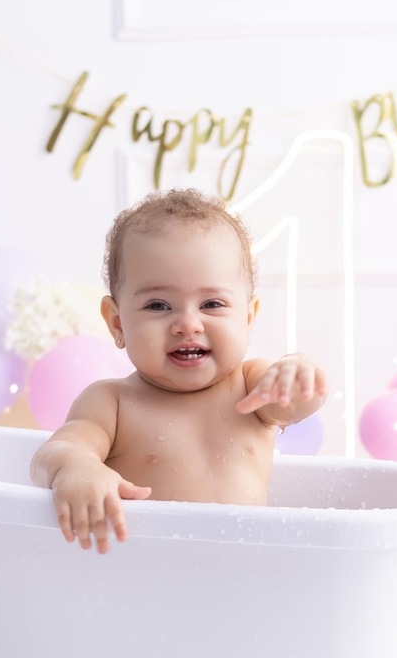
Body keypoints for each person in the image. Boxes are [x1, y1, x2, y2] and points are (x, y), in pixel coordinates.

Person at [29, 189, 327, 553]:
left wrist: (299, 375)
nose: (188, 324)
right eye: (158, 305)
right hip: (149, 575)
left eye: (212, 304)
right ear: (117, 323)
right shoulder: (112, 403)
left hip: (246, 570)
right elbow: (54, 451)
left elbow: (295, 404)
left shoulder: (251, 385)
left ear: (247, 317)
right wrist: (76, 467)